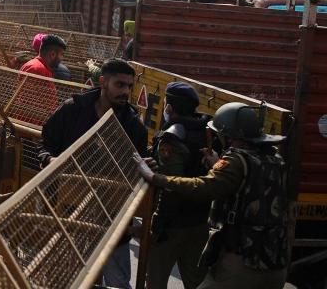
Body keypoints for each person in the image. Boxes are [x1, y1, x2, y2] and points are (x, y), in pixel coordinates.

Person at [136, 102, 289, 289]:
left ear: (229, 137)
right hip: (274, 262)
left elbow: (202, 187)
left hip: (243, 263)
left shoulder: (236, 161)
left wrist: (155, 177)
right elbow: (245, 185)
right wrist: (218, 165)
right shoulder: (275, 159)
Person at [39, 58, 148, 288]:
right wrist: (50, 159)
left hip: (112, 218)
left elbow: (136, 168)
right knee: (65, 279)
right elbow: (45, 143)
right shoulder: (72, 110)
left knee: (117, 283)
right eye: (120, 85)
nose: (126, 92)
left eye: (129, 86)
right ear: (102, 82)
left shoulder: (133, 125)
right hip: (67, 213)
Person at [146, 82, 210, 289]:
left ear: (169, 107)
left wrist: (158, 224)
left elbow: (171, 186)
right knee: (195, 282)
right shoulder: (206, 131)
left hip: (172, 226)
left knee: (155, 281)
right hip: (199, 220)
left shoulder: (172, 137)